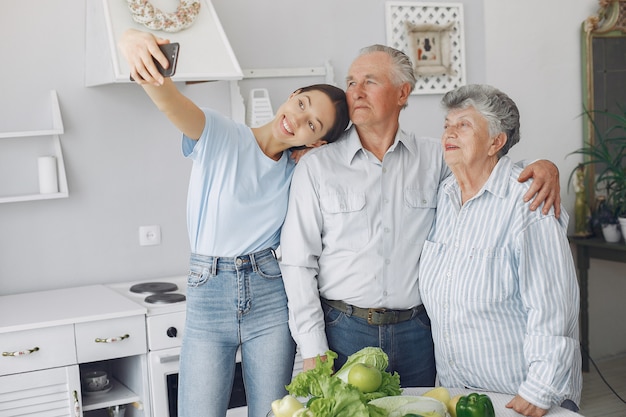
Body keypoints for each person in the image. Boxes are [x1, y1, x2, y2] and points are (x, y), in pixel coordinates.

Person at [279, 44, 562, 388]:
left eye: (370, 81)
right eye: (351, 82)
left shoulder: (436, 157)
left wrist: (545, 167)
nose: (356, 92)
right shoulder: (316, 166)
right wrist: (313, 347)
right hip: (343, 331)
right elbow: (297, 263)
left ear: (403, 93)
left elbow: (486, 170)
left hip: (421, 335)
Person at [118, 29, 350, 417]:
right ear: (291, 96)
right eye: (302, 104)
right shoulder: (221, 134)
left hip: (270, 295)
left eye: (312, 124)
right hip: (209, 292)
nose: (298, 119)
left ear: (317, 143)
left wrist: (311, 160)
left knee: (273, 412)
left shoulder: (300, 174)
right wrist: (132, 44)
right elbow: (167, 100)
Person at [419, 84, 582, 417]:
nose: (449, 132)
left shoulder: (528, 200)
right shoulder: (444, 195)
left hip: (520, 396)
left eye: (464, 125)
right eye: (447, 124)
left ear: (496, 142)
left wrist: (538, 389)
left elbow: (553, 306)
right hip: (459, 394)